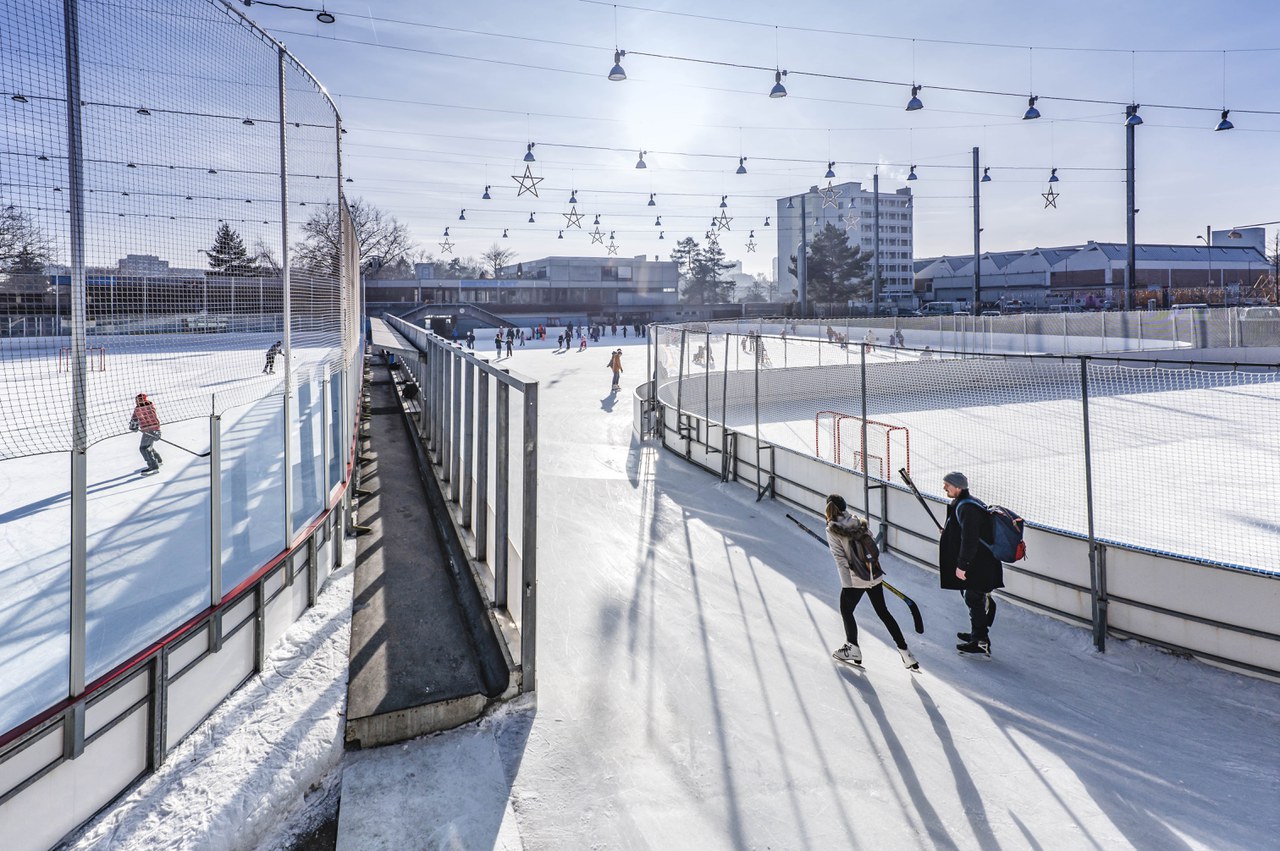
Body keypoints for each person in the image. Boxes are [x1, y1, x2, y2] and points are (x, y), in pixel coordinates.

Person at [825, 494, 918, 670]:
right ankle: (906, 653)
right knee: (883, 612)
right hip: (873, 574)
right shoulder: (859, 522)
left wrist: (847, 586)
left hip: (856, 578)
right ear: (844, 506)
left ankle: (852, 647)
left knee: (846, 610)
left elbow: (840, 559)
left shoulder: (832, 529)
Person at [939, 472, 1003, 655]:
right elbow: (964, 532)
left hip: (979, 564)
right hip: (980, 563)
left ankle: (980, 640)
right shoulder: (967, 503)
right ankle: (977, 634)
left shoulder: (967, 508)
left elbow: (970, 540)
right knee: (974, 599)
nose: (944, 488)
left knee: (974, 599)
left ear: (958, 487)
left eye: (947, 485)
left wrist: (962, 565)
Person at [129, 393, 163, 475]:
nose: (138, 402)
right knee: (147, 447)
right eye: (137, 400)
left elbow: (154, 420)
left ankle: (153, 466)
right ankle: (158, 460)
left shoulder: (149, 408)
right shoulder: (137, 409)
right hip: (146, 430)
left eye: (140, 400)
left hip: (152, 430)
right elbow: (134, 418)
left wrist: (157, 431)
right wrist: (133, 425)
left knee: (144, 448)